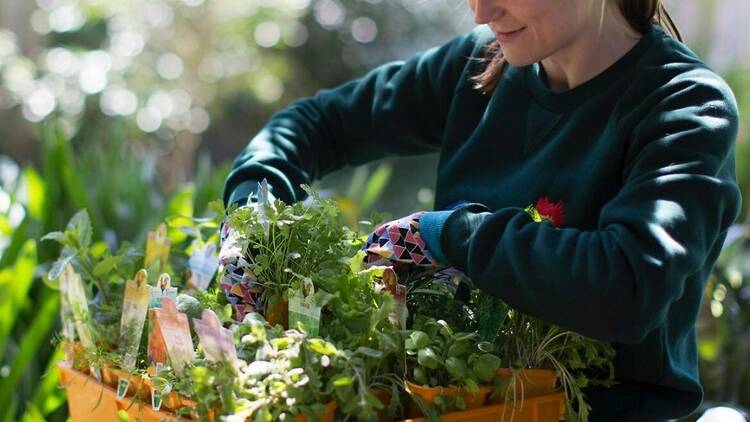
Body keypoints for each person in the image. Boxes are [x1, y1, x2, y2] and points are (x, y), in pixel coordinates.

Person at [220, 0, 742, 420]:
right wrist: (254, 216)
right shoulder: (479, 66)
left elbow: (629, 285)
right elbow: (315, 125)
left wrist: (451, 234)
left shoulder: (682, 105)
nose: (481, 11)